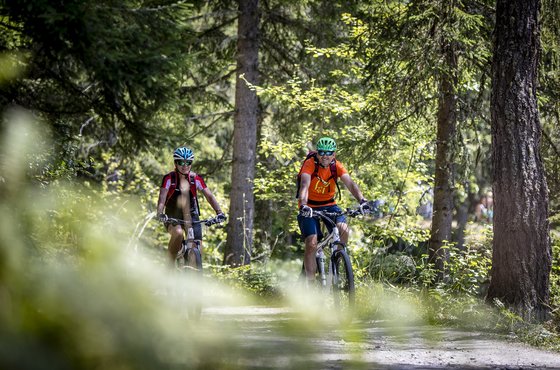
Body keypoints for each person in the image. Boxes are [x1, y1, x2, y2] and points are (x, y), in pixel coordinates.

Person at [297, 137, 370, 282]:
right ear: (317, 153)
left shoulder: (336, 166)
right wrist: (303, 205)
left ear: (334, 154)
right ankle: (310, 284)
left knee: (344, 230)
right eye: (322, 152)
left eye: (328, 152)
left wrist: (362, 201)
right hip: (309, 206)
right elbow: (304, 184)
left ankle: (336, 260)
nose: (325, 155)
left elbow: (350, 184)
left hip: (329, 204)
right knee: (311, 243)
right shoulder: (310, 164)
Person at [156, 147, 226, 267]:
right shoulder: (169, 178)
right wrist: (160, 213)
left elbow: (209, 196)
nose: (185, 166)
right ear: (175, 163)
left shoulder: (195, 179)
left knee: (197, 249)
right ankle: (169, 266)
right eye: (181, 162)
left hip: (192, 215)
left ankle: (194, 274)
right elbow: (162, 198)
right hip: (172, 215)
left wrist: (219, 212)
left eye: (188, 162)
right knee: (178, 233)